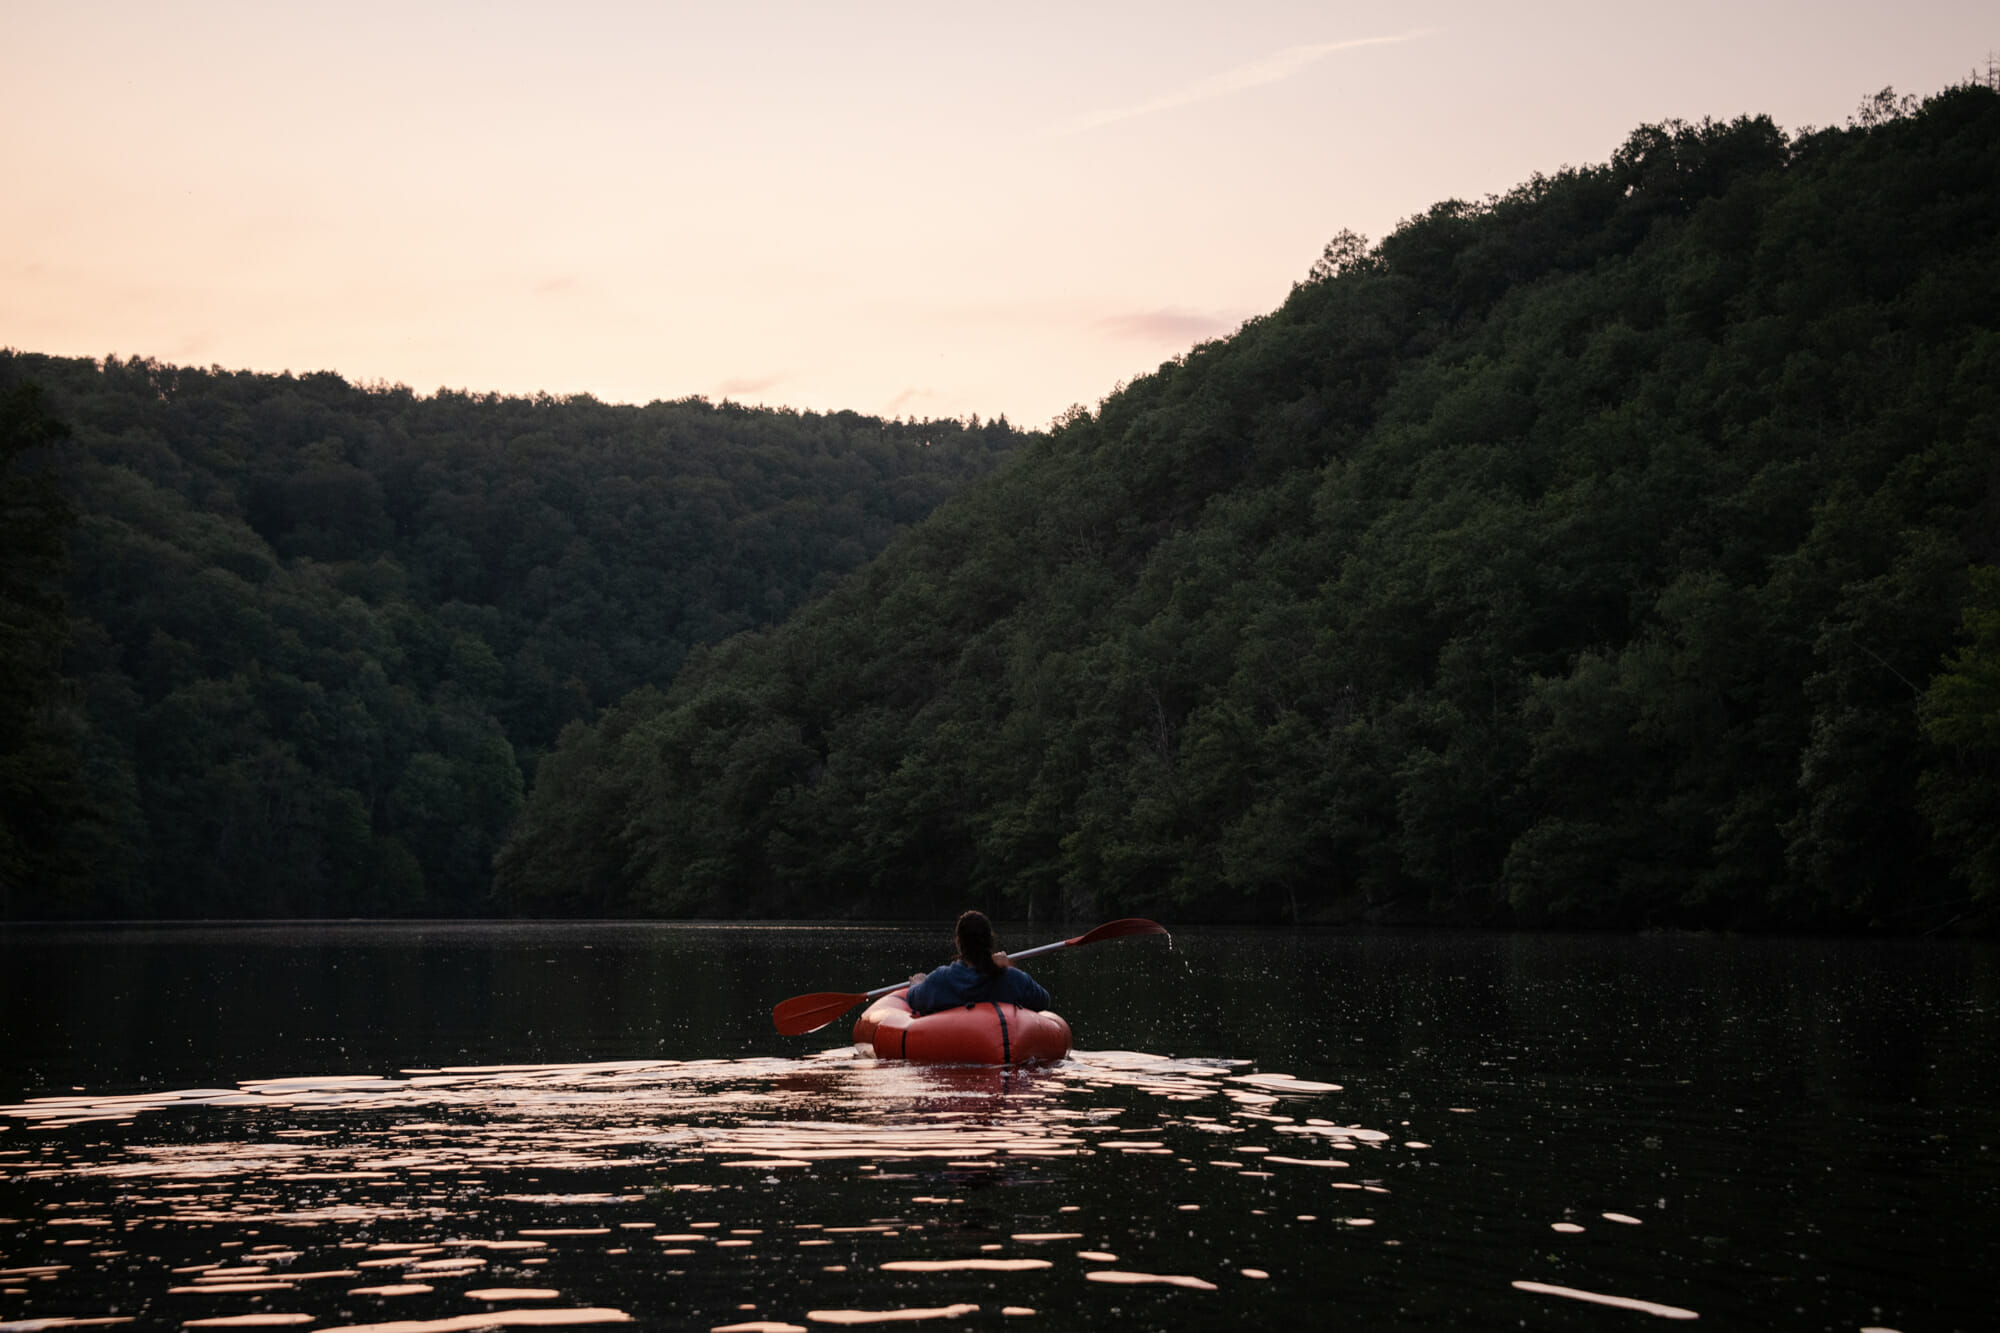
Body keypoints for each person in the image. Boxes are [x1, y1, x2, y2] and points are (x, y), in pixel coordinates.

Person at [905, 909, 1050, 1015]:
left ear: (958, 943)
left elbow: (913, 999)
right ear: (990, 941)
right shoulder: (1011, 977)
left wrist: (917, 984)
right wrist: (1007, 967)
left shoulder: (940, 979)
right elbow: (1043, 1001)